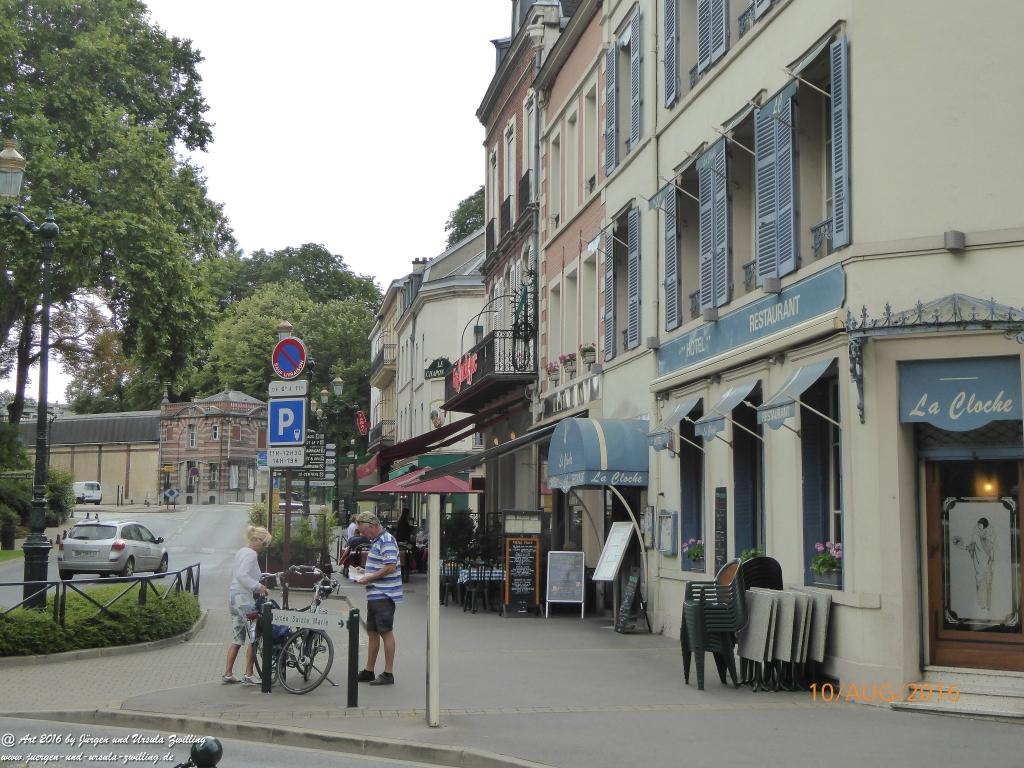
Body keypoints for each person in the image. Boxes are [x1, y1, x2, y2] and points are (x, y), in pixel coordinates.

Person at [353, 511, 402, 686]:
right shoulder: (378, 541)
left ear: (373, 526)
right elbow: (383, 565)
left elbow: (390, 567)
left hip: (384, 594)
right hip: (375, 594)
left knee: (385, 632)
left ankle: (388, 673)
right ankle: (369, 670)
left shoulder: (386, 540)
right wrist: (364, 571)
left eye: (365, 531)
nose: (364, 535)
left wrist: (369, 577)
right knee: (373, 633)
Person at [223, 525, 271, 685]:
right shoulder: (251, 554)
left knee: (238, 636)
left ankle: (228, 673)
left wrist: (256, 585)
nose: (264, 547)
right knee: (254, 635)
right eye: (264, 543)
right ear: (256, 539)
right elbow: (242, 575)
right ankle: (249, 674)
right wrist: (259, 587)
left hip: (233, 597)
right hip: (243, 599)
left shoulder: (241, 551)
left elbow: (237, 574)